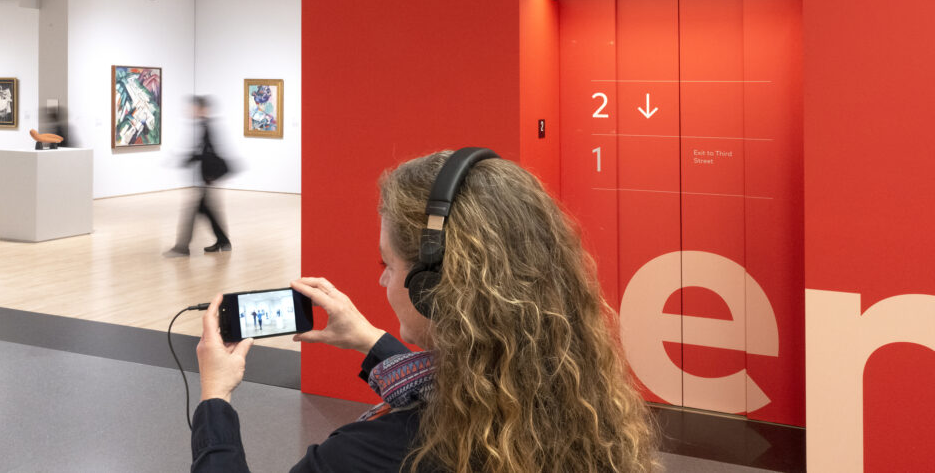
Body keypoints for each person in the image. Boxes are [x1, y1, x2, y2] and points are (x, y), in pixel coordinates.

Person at [191, 149, 658, 472]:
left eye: (388, 264)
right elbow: (440, 389)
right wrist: (370, 340)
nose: (381, 280)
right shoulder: (566, 396)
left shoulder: (373, 455)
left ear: (433, 288)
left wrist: (215, 398)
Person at [165, 96, 231, 257]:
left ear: (202, 109)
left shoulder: (206, 126)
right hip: (207, 177)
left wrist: (188, 161)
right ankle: (223, 241)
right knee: (206, 211)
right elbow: (201, 152)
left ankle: (182, 247)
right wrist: (186, 159)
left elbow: (206, 153)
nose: (190, 111)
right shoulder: (204, 125)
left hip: (208, 177)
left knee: (192, 211)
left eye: (193, 108)